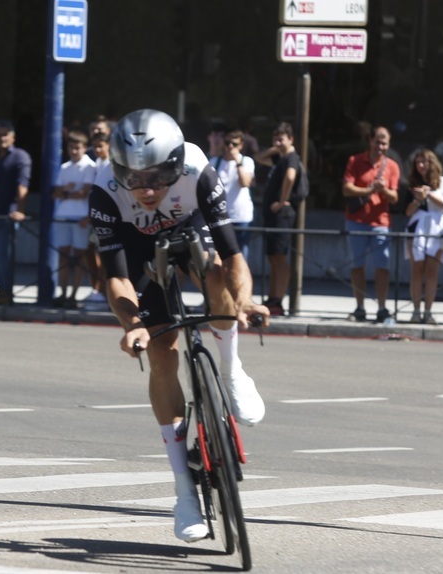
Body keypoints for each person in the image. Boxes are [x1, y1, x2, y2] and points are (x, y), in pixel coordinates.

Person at [88, 109, 268, 543]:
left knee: (217, 271)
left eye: (156, 177)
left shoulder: (198, 170)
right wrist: (133, 324)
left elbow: (234, 253)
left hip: (191, 231)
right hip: (137, 248)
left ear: (175, 165)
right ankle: (184, 492)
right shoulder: (105, 191)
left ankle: (231, 368)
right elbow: (116, 278)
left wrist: (242, 301)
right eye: (134, 179)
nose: (146, 190)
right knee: (162, 352)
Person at [341, 126, 400, 323]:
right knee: (357, 266)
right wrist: (368, 190)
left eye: (384, 143)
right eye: (378, 142)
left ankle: (382, 307)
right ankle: (360, 307)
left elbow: (394, 197)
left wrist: (383, 190)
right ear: (370, 141)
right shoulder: (355, 161)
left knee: (382, 267)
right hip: (356, 221)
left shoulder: (392, 166)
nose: (380, 146)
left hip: (380, 223)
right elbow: (346, 189)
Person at [0, 120, 32, 305]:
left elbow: (22, 185)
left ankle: (6, 292)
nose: (1, 138)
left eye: (5, 134)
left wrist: (20, 210)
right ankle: (2, 289)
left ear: (13, 137)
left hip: (9, 215)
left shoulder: (20, 157)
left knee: (3, 253)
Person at [403, 149, 443, 324]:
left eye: (424, 162)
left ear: (432, 163)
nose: (421, 166)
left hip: (436, 232)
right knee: (417, 271)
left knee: (432, 273)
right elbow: (407, 211)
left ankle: (428, 312)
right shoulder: (413, 183)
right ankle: (416, 311)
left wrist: (429, 194)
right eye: (418, 163)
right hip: (416, 231)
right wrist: (417, 199)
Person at [254, 123, 299, 316]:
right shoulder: (279, 158)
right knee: (272, 257)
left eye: (282, 139)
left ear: (291, 139)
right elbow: (258, 157)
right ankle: (273, 297)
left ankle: (278, 299)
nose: (278, 143)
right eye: (275, 139)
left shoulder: (291, 158)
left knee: (279, 258)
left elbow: (290, 177)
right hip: (271, 216)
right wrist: (277, 147)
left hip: (282, 216)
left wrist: (282, 201)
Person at [51, 130, 95, 308]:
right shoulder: (64, 167)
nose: (74, 151)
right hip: (63, 215)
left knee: (79, 257)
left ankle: (74, 295)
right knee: (63, 255)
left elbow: (83, 193)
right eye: (71, 147)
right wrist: (68, 192)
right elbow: (54, 193)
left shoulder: (90, 167)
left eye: (77, 148)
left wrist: (66, 192)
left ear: (84, 148)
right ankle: (62, 293)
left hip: (80, 216)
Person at [210, 130, 255, 264]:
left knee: (240, 257)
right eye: (227, 143)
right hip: (220, 216)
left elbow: (245, 183)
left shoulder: (247, 161)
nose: (230, 147)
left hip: (241, 217)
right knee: (219, 256)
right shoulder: (214, 162)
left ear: (241, 145)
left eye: (234, 144)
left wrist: (238, 162)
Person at [82, 132, 110, 305]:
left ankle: (104, 292)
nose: (97, 149)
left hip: (105, 216)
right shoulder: (96, 164)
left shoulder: (111, 165)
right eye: (95, 146)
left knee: (106, 255)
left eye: (101, 146)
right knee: (91, 252)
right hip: (94, 215)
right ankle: (97, 289)